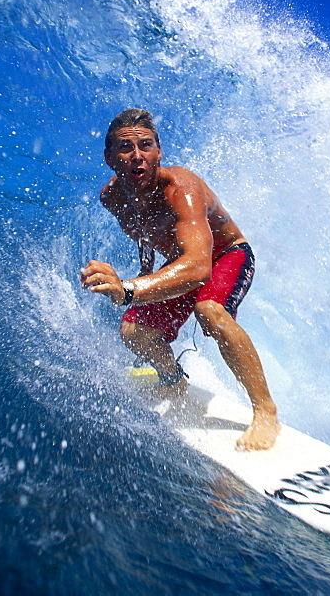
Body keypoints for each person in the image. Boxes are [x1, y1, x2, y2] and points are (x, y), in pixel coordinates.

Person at [80, 108, 280, 451]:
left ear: (159, 151)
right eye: (125, 148)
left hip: (225, 256)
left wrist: (129, 288)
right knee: (133, 332)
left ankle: (266, 411)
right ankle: (173, 381)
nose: (137, 156)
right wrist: (146, 273)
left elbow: (200, 267)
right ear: (109, 157)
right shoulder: (112, 197)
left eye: (146, 145)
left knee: (209, 310)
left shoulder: (180, 188)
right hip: (179, 264)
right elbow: (142, 232)